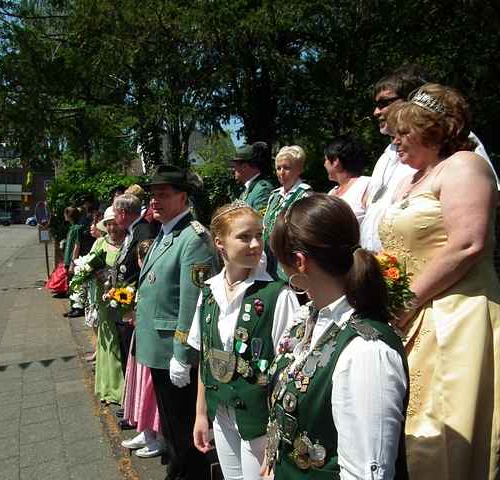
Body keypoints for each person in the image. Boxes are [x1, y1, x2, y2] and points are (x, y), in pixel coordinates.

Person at [380, 83, 500, 479]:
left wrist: (405, 300)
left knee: (444, 437)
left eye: (404, 131)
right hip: (412, 317)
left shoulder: (465, 166)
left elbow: (468, 243)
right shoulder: (409, 180)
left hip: (454, 318)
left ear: (433, 129)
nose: (395, 140)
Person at [262, 193, 408, 479]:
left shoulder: (367, 352)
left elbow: (368, 473)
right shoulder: (309, 318)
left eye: (280, 261)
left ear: (300, 262)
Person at [189, 201, 299, 480]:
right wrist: (201, 414)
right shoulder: (209, 291)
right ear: (220, 243)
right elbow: (206, 356)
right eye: (244, 236)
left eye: (258, 235)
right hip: (222, 412)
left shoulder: (277, 295)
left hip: (260, 420)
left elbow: (290, 372)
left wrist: (279, 436)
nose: (254, 244)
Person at [136, 164, 218, 480]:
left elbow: (194, 302)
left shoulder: (193, 238)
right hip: (158, 347)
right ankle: (178, 472)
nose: (155, 201)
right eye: (153, 195)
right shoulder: (167, 231)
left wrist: (183, 356)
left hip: (174, 351)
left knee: (184, 428)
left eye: (164, 195)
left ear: (183, 197)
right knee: (171, 426)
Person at [360, 65, 498, 251]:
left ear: (410, 100)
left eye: (384, 102)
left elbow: (474, 225)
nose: (376, 112)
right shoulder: (386, 155)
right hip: (387, 270)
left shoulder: (457, 142)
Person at [121, 239, 166, 458]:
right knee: (140, 387)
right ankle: (145, 429)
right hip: (141, 341)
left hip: (152, 343)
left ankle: (158, 436)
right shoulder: (142, 279)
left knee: (150, 392)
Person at [112, 193, 158, 374]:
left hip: (133, 309)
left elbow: (146, 273)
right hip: (123, 302)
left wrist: (135, 306)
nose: (114, 219)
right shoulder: (133, 231)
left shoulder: (144, 232)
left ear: (123, 213)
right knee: (125, 355)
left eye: (115, 214)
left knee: (132, 359)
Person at [92, 206, 127, 404]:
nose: (112, 227)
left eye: (115, 223)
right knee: (107, 341)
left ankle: (123, 390)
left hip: (123, 298)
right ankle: (109, 388)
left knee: (122, 341)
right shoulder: (99, 244)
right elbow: (88, 268)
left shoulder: (128, 243)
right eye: (109, 224)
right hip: (104, 299)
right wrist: (93, 275)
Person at [263, 145, 312, 279]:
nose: (281, 172)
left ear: (299, 169)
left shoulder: (305, 195)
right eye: (278, 168)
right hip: (268, 260)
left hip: (289, 261)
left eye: (287, 168)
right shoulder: (274, 196)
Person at [323, 135, 371, 224]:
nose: (324, 164)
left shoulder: (366, 185)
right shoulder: (331, 193)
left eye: (325, 160)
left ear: (335, 161)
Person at [231, 142, 275, 214]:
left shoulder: (263, 190)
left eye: (235, 166)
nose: (233, 169)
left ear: (244, 166)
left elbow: (261, 222)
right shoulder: (248, 189)